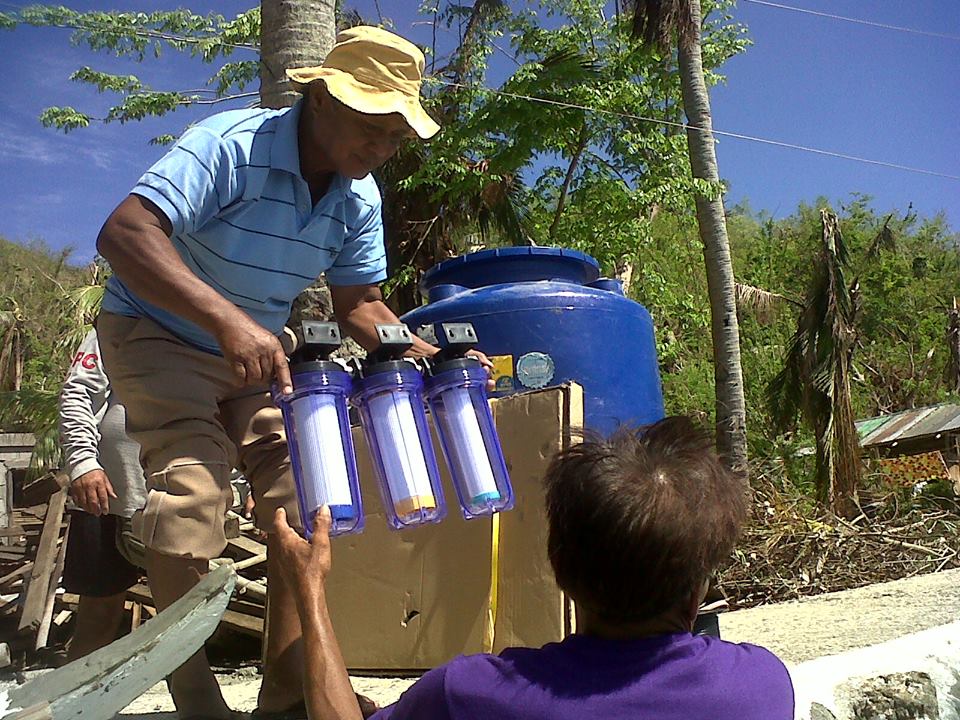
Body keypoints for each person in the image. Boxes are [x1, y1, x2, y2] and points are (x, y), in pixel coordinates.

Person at [94, 25, 483, 720]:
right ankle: (195, 696)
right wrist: (228, 321)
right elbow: (125, 234)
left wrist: (425, 355)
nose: (384, 149)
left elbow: (359, 302)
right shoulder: (230, 146)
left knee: (306, 504)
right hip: (155, 331)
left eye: (397, 137)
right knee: (192, 490)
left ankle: (285, 691)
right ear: (325, 100)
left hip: (253, 354)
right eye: (374, 128)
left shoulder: (358, 200)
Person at [273, 417, 795, 720]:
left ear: (558, 566)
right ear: (699, 587)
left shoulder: (469, 694)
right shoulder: (759, 686)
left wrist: (310, 585)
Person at [59, 328, 147, 660]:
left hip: (179, 492)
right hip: (108, 492)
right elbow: (78, 391)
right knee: (98, 612)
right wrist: (83, 463)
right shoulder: (119, 322)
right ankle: (75, 706)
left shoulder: (214, 321)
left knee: (183, 610)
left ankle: (195, 705)